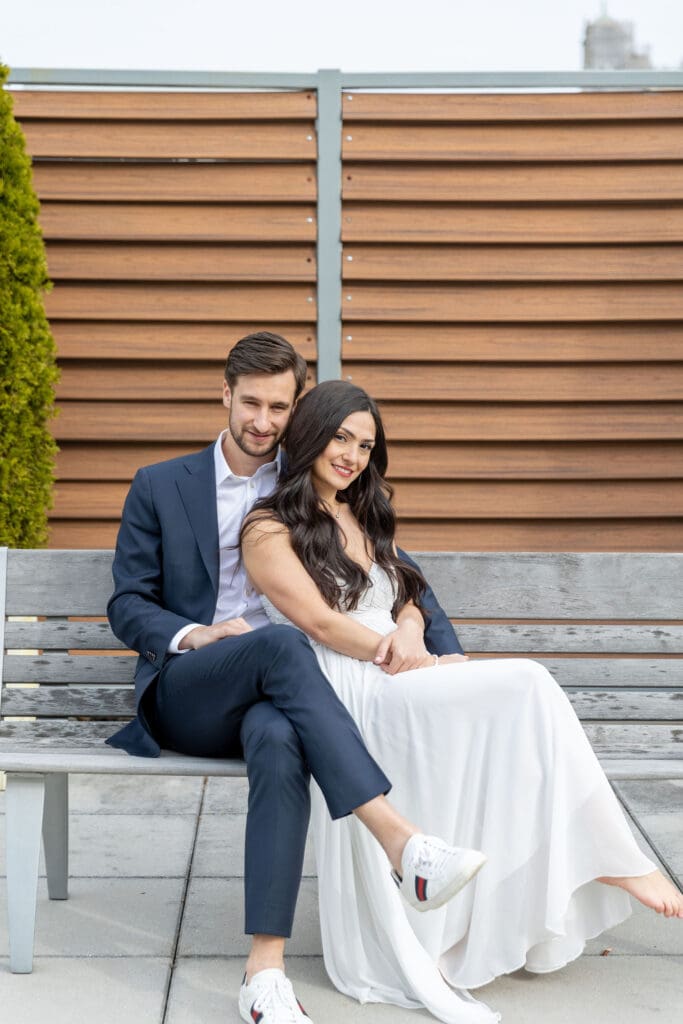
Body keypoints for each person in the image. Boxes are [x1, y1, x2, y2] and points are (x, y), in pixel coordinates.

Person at [240, 379, 683, 1024]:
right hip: (351, 683)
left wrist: (413, 633)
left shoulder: (360, 510)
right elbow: (319, 623)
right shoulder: (267, 525)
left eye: (365, 445)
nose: (353, 456)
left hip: (398, 664)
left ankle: (592, 862)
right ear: (311, 433)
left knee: (523, 704)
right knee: (526, 682)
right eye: (341, 438)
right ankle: (613, 859)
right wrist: (393, 654)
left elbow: (404, 595)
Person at [106, 332, 487, 1024]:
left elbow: (398, 572)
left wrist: (438, 649)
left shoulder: (316, 476)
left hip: (285, 695)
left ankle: (264, 974)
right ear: (223, 394)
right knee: (283, 645)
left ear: (296, 409)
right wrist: (196, 634)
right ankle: (401, 840)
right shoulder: (161, 484)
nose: (262, 421)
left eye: (279, 407)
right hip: (191, 686)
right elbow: (127, 602)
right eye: (249, 402)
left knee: (279, 738)